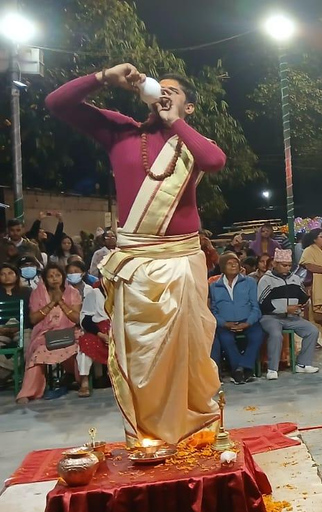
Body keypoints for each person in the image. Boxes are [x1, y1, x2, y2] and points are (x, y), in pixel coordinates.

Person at [47, 63, 226, 444]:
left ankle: (195, 428)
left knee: (187, 352)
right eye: (158, 87)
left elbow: (214, 162)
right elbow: (57, 102)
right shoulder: (121, 131)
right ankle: (147, 435)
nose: (163, 93)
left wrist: (174, 122)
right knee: (141, 355)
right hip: (135, 263)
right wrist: (104, 78)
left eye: (173, 91)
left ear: (188, 107)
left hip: (181, 260)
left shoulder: (190, 139)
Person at [16, 263, 83, 404]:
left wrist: (62, 303)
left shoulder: (73, 293)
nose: (54, 279)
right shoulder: (37, 294)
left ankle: (78, 380)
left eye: (58, 275)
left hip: (69, 332)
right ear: (45, 279)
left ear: (63, 277)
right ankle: (29, 392)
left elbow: (76, 319)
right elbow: (33, 319)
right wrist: (52, 303)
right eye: (50, 276)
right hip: (45, 334)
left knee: (78, 347)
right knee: (38, 353)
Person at [257, 249, 320, 379]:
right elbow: (263, 303)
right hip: (271, 318)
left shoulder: (295, 279)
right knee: (275, 334)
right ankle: (272, 369)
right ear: (275, 264)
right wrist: (285, 308)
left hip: (292, 317)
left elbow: (303, 296)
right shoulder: (266, 280)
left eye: (289, 265)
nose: (287, 268)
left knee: (312, 331)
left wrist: (302, 304)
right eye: (284, 265)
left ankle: (303, 363)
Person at [209, 253, 263, 384]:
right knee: (226, 339)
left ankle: (241, 368)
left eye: (236, 262)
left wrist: (248, 323)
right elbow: (213, 311)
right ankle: (241, 370)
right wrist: (225, 323)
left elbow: (256, 307)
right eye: (229, 263)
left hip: (247, 321)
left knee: (258, 335)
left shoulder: (250, 282)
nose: (234, 265)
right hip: (225, 324)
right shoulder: (214, 286)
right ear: (222, 267)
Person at [77, 281, 110, 398]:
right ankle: (84, 381)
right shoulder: (94, 294)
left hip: (117, 329)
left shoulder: (122, 293)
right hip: (98, 330)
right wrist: (101, 334)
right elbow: (86, 320)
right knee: (86, 343)